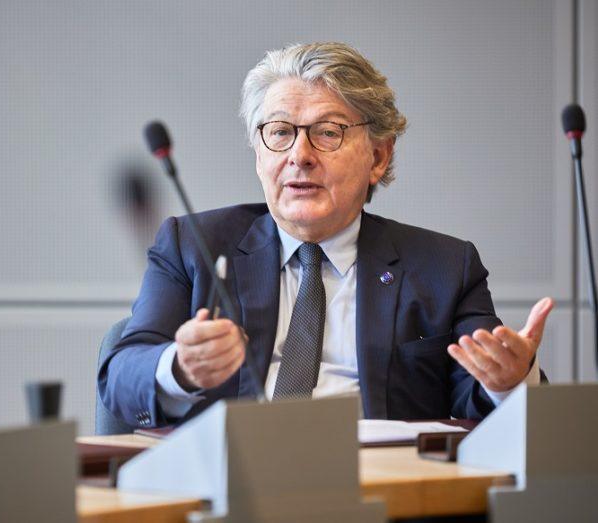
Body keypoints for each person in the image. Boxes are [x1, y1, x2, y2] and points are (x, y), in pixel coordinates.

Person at [97, 42, 552, 429]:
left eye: (327, 133)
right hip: (231, 494)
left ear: (378, 155)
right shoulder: (193, 244)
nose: (300, 155)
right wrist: (179, 367)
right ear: (258, 155)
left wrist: (511, 380)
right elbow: (121, 373)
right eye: (279, 132)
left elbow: (485, 400)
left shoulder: (444, 267)